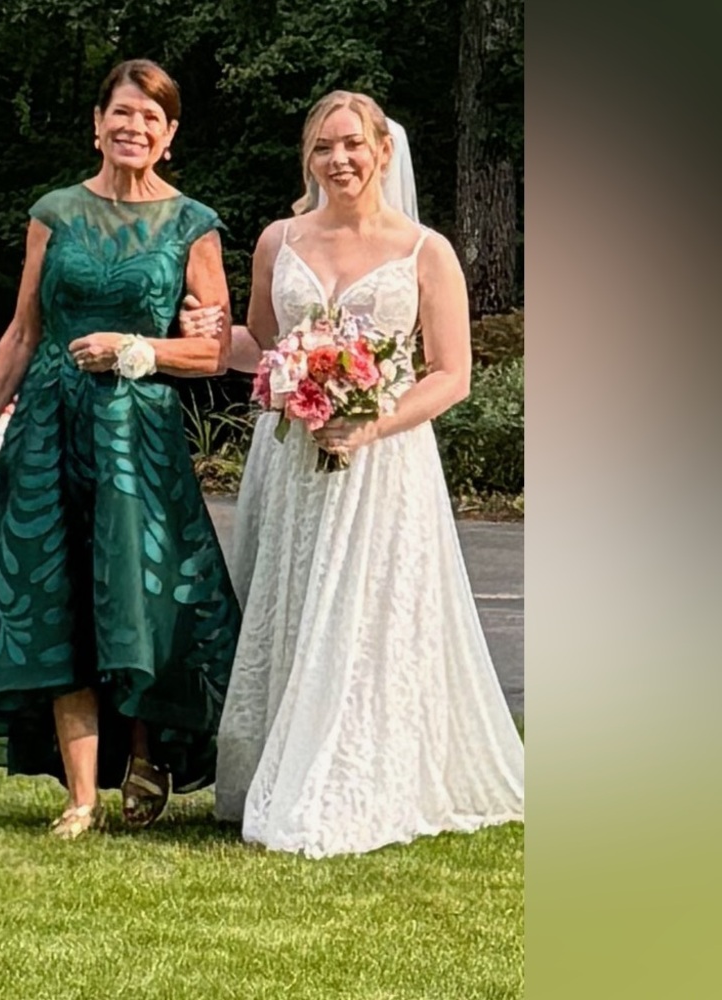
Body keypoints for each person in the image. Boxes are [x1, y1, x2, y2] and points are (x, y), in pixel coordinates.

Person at [185, 91, 524, 858]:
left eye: (351, 145)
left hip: (386, 461)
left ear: (383, 150)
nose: (338, 160)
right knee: (295, 602)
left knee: (368, 615)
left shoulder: (424, 250)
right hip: (291, 458)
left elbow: (452, 375)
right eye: (321, 148)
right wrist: (215, 334)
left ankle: (359, 771)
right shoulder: (280, 239)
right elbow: (263, 349)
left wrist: (371, 422)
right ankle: (276, 759)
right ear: (308, 158)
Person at [0, 59, 242, 840]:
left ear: (169, 137)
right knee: (54, 595)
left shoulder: (193, 225)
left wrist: (132, 346)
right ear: (97, 123)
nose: (132, 128)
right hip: (48, 430)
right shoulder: (55, 212)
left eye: (150, 118)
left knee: (135, 594)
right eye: (121, 113)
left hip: (138, 439)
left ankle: (144, 757)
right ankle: (80, 795)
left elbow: (208, 354)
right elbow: (24, 330)